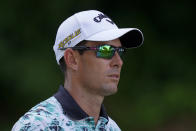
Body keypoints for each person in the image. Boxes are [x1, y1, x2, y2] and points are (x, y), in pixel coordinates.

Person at [12, 10, 144, 131]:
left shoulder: (112, 128)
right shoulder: (36, 126)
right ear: (72, 59)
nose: (119, 62)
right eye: (106, 50)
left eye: (120, 51)